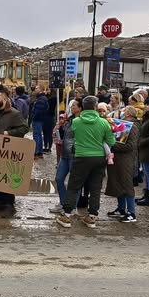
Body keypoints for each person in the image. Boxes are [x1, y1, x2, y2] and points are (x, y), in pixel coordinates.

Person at [58, 96, 116, 227]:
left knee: (74, 185)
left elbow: (72, 135)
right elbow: (111, 141)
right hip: (99, 158)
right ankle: (92, 216)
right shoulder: (103, 123)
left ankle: (66, 215)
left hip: (81, 156)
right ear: (96, 107)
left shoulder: (77, 121)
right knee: (95, 187)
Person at [105, 106, 140, 223]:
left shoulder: (133, 127)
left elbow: (131, 146)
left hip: (126, 160)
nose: (122, 113)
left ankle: (131, 212)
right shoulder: (121, 124)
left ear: (129, 113)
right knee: (117, 183)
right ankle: (121, 208)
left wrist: (113, 145)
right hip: (118, 159)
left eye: (124, 111)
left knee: (126, 185)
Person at [31, 87, 49, 159]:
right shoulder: (42, 98)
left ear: (41, 90)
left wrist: (33, 116)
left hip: (37, 119)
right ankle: (39, 152)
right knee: (39, 136)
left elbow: (38, 110)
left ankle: (36, 152)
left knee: (37, 136)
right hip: (41, 119)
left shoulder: (41, 99)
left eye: (37, 88)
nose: (35, 89)